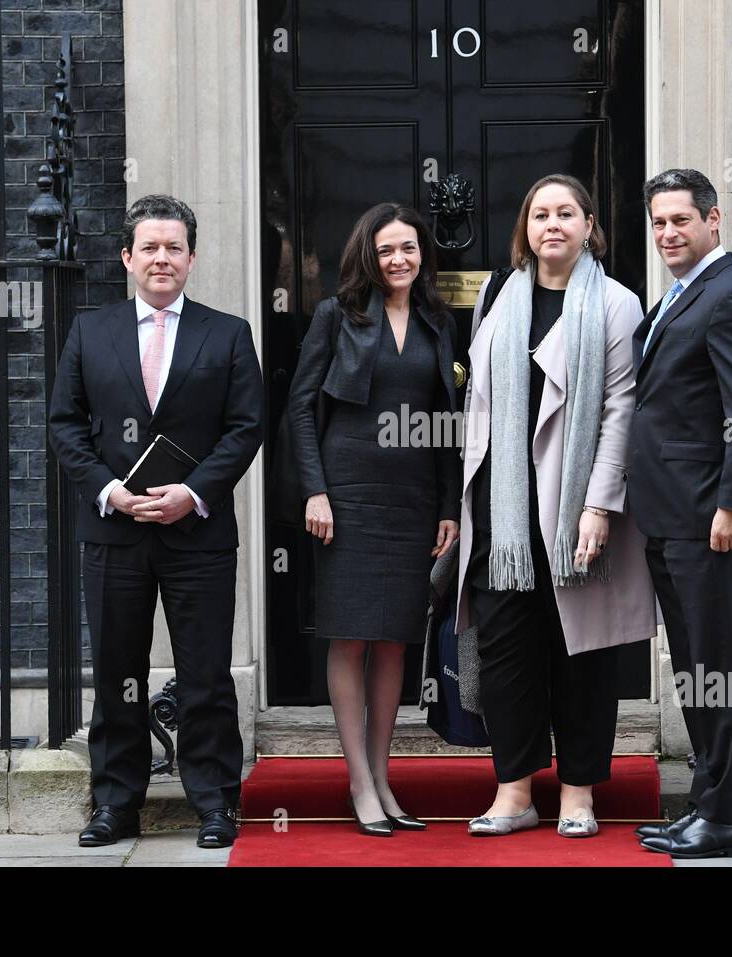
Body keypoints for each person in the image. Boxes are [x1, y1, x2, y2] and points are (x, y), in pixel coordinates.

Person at [48, 194, 263, 850]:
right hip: (114, 532)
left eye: (175, 248)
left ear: (191, 259)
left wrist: (193, 492)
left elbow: (246, 425)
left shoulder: (227, 333)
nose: (162, 258)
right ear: (127, 257)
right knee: (119, 672)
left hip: (196, 532)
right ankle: (117, 803)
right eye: (151, 247)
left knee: (204, 675)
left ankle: (214, 802)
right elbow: (63, 424)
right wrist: (111, 491)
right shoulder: (91, 331)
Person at [454, 173, 656, 838]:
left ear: (589, 225)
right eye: (540, 213)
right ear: (526, 228)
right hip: (504, 514)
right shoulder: (496, 295)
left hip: (575, 513)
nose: (552, 225)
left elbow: (620, 411)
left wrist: (599, 505)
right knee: (507, 654)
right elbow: (480, 401)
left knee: (583, 657)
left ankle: (576, 791)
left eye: (566, 213)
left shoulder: (618, 305)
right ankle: (513, 791)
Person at [287, 203, 461, 837]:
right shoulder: (337, 316)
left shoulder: (438, 321)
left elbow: (449, 424)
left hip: (413, 500)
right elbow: (301, 408)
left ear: (423, 255)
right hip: (347, 493)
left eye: (409, 249)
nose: (399, 260)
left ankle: (385, 778)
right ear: (368, 254)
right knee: (351, 634)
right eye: (388, 250)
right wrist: (314, 490)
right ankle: (358, 781)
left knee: (394, 638)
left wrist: (449, 508)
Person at [629, 168, 732, 859]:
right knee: (694, 666)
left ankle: (731, 817)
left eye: (680, 221)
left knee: (721, 664)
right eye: (659, 222)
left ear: (713, 221)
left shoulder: (731, 296)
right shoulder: (682, 295)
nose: (667, 233)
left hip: (707, 516)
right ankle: (707, 804)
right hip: (669, 515)